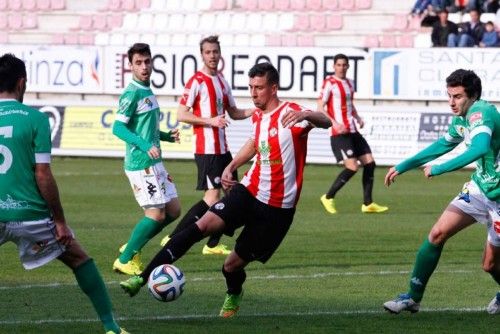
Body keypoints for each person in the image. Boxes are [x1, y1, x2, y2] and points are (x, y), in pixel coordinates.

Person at [119, 62, 332, 318]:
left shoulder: (292, 112)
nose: (253, 93)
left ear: (273, 88)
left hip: (277, 209)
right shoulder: (258, 116)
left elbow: (326, 121)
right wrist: (232, 165)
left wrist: (308, 115)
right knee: (201, 226)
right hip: (249, 190)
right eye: (251, 87)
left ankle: (234, 292)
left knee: (231, 266)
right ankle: (141, 279)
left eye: (259, 88)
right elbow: (255, 143)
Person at [0, 53, 127, 334]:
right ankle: (111, 327)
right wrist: (59, 220)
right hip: (30, 215)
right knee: (80, 259)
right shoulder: (35, 119)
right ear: (21, 83)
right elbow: (42, 174)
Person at [383, 69, 500, 315]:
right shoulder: (463, 118)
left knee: (490, 265)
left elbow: (479, 148)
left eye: (457, 96)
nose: (451, 102)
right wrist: (402, 166)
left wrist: (440, 168)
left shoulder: (482, 112)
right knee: (437, 233)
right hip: (480, 188)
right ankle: (412, 298)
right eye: (449, 96)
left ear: (473, 96)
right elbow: (443, 144)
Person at [159, 35, 253, 255]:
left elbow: (234, 113)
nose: (212, 56)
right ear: (202, 55)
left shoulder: (222, 81)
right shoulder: (196, 82)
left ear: (220, 54)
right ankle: (173, 238)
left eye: (215, 52)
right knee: (212, 198)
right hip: (206, 150)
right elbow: (181, 114)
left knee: (234, 196)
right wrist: (210, 120)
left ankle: (212, 244)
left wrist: (256, 110)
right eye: (208, 52)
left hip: (222, 149)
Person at [111, 43, 181, 275]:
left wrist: (166, 137)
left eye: (147, 61)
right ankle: (125, 258)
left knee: (173, 210)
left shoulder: (147, 90)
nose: (144, 67)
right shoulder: (131, 93)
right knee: (156, 214)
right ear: (130, 66)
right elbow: (118, 128)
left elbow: (145, 128)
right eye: (138, 63)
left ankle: (133, 245)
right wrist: (144, 145)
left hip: (154, 161)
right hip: (140, 164)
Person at [318, 54, 388, 214]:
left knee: (370, 163)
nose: (342, 67)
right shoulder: (329, 83)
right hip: (339, 133)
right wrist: (334, 123)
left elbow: (349, 105)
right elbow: (320, 107)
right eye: (339, 65)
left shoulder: (349, 83)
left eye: (344, 65)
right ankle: (328, 197)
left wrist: (357, 118)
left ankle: (368, 203)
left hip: (352, 130)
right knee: (352, 166)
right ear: (334, 66)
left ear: (348, 66)